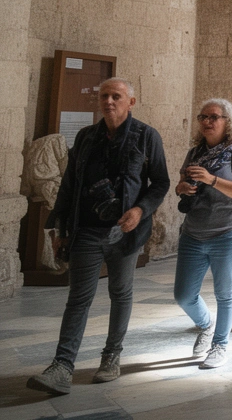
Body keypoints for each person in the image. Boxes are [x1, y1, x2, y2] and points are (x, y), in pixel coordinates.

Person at [28, 78, 170, 395]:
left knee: (120, 292)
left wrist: (140, 211)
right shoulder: (86, 137)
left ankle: (111, 357)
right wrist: (61, 231)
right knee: (78, 298)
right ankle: (62, 366)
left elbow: (160, 183)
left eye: (116, 96)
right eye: (104, 96)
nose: (109, 101)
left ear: (130, 102)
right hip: (87, 231)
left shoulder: (147, 137)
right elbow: (69, 187)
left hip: (126, 232)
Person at [172, 98, 232, 369]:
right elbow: (181, 184)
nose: (207, 122)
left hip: (229, 232)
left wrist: (211, 179)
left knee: (225, 292)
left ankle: (220, 345)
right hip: (194, 232)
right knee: (183, 295)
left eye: (214, 117)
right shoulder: (195, 153)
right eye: (203, 117)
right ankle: (206, 325)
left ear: (227, 122)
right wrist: (182, 189)